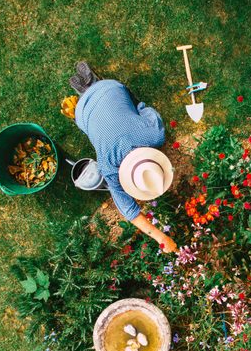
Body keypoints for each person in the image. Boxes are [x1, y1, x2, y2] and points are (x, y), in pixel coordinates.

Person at [69, 61, 178, 253]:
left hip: (111, 88)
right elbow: (127, 209)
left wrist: (162, 237)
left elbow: (147, 110)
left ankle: (91, 87)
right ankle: (87, 90)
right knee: (95, 122)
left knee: (120, 106)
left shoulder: (155, 135)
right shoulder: (108, 167)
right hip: (82, 114)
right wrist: (160, 237)